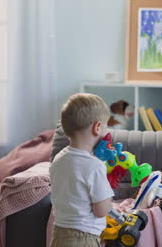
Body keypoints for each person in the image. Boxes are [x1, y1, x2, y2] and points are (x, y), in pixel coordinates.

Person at [49, 93, 114, 247]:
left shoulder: (58, 159)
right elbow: (101, 211)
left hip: (59, 234)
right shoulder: (95, 166)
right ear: (97, 127)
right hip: (84, 238)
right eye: (106, 125)